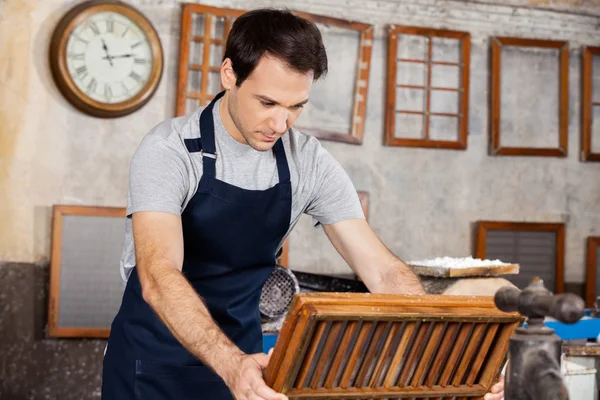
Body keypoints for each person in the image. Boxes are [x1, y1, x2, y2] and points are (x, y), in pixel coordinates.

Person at [101, 8, 505, 400]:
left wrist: (461, 363)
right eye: (267, 103)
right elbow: (158, 275)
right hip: (152, 365)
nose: (281, 124)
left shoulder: (305, 161)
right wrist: (229, 364)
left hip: (248, 365)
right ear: (229, 75)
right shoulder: (170, 150)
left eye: (296, 107)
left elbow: (382, 272)